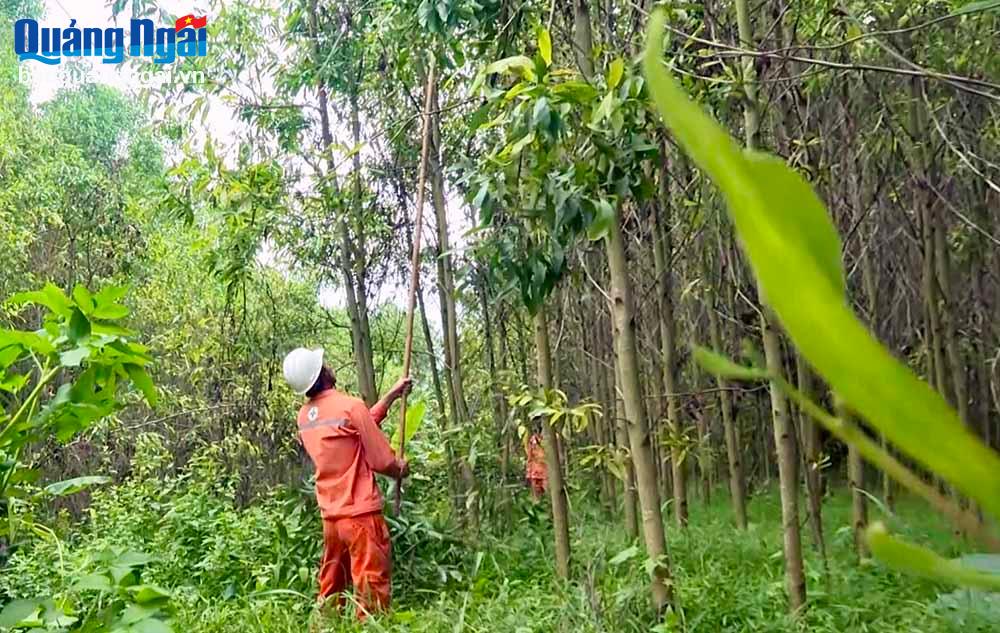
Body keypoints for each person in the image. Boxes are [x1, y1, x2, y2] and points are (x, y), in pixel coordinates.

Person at [282, 347, 412, 620]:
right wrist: (399, 469)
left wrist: (390, 397)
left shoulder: (305, 417)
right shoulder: (351, 406)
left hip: (332, 519)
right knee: (371, 590)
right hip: (360, 516)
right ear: (322, 373)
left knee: (331, 589)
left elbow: (350, 431)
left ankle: (324, 627)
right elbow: (380, 460)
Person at [524, 427, 547, 502]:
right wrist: (528, 472)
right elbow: (530, 456)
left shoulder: (549, 439)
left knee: (547, 490)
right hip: (535, 471)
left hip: (545, 471)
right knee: (536, 492)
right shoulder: (532, 440)